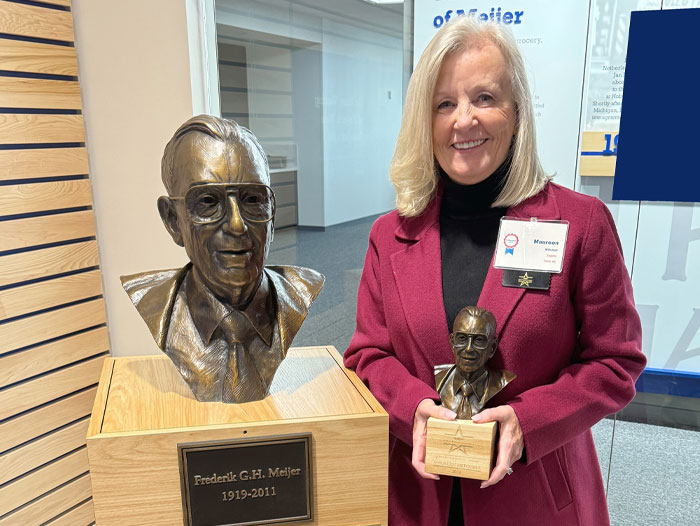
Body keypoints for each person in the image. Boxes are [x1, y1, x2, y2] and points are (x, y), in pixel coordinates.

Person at [343, 17, 645, 526]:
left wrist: (529, 422)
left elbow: (616, 362)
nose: (463, 121)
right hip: (419, 496)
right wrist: (413, 407)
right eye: (444, 104)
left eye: (484, 98)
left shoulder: (581, 224)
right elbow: (368, 355)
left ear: (517, 112)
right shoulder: (389, 235)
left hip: (534, 495)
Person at [121, 115, 324, 403]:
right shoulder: (155, 305)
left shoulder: (299, 294)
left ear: (272, 213)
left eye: (252, 199)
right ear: (173, 220)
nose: (237, 225)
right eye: (208, 201)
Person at [435, 306, 515, 419]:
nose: (469, 348)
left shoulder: (501, 381)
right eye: (462, 338)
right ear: (452, 342)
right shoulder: (439, 377)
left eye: (478, 340)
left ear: (492, 348)